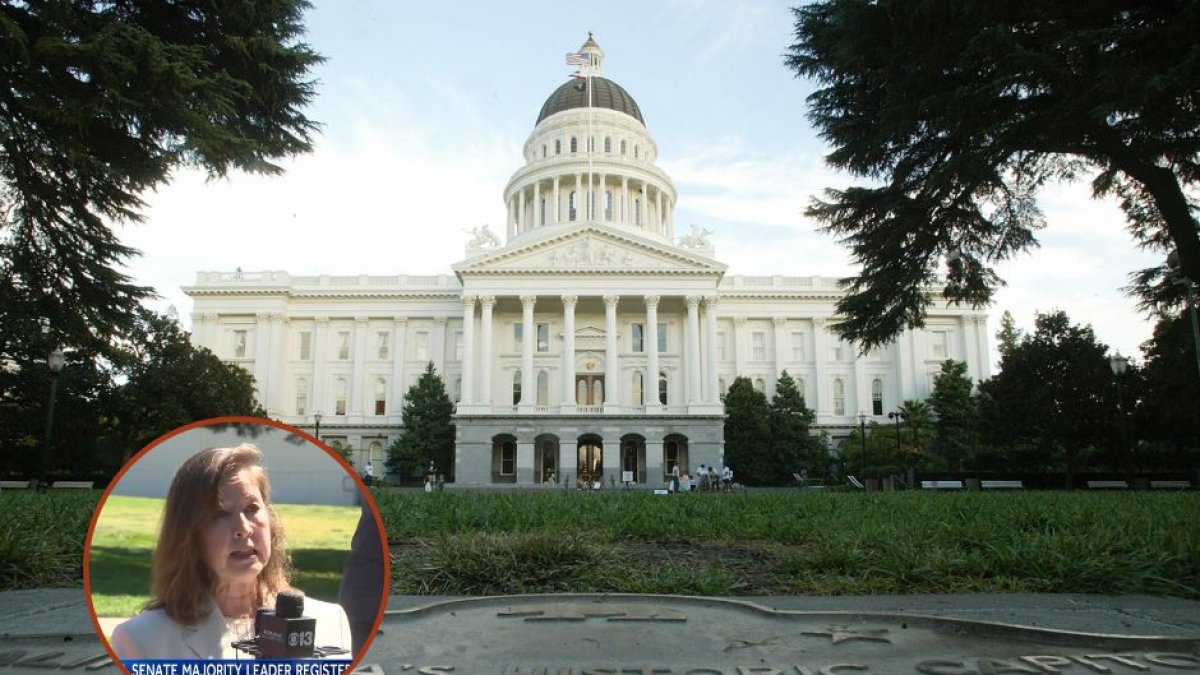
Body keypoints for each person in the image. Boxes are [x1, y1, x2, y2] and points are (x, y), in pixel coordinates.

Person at [109, 444, 352, 660]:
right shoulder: (140, 641)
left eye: (251, 508)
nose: (243, 529)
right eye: (219, 514)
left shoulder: (331, 623)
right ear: (188, 534)